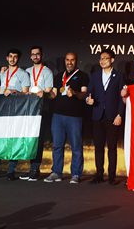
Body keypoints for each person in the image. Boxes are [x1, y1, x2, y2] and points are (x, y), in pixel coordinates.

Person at [44, 52, 89, 184]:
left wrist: (74, 93)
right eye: (67, 60)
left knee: (76, 146)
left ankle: (75, 174)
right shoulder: (59, 76)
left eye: (72, 60)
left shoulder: (83, 76)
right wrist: (46, 93)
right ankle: (56, 172)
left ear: (76, 61)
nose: (69, 62)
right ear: (65, 61)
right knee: (57, 145)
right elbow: (54, 94)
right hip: (58, 116)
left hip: (74, 117)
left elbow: (84, 94)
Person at [0, 48, 30, 180]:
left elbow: (26, 94)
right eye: (10, 56)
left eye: (15, 57)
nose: (12, 59)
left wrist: (15, 91)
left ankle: (11, 171)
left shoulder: (23, 74)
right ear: (7, 58)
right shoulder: (3, 73)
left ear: (18, 59)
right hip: (2, 110)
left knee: (13, 140)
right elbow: (0, 91)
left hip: (16, 111)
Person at [86, 49, 125, 185]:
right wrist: (88, 100)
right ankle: (99, 175)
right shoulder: (95, 75)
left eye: (105, 58)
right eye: (101, 58)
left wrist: (119, 114)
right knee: (98, 147)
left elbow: (122, 98)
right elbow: (89, 93)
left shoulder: (119, 76)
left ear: (112, 60)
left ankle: (112, 177)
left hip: (112, 116)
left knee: (112, 148)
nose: (102, 61)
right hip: (97, 116)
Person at [19, 46, 54, 181]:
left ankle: (35, 169)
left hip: (41, 109)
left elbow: (50, 92)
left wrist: (43, 93)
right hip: (28, 110)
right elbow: (23, 89)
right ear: (30, 56)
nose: (35, 56)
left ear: (41, 55)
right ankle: (30, 168)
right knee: (30, 140)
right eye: (33, 54)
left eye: (37, 54)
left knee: (38, 141)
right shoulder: (27, 72)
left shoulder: (47, 72)